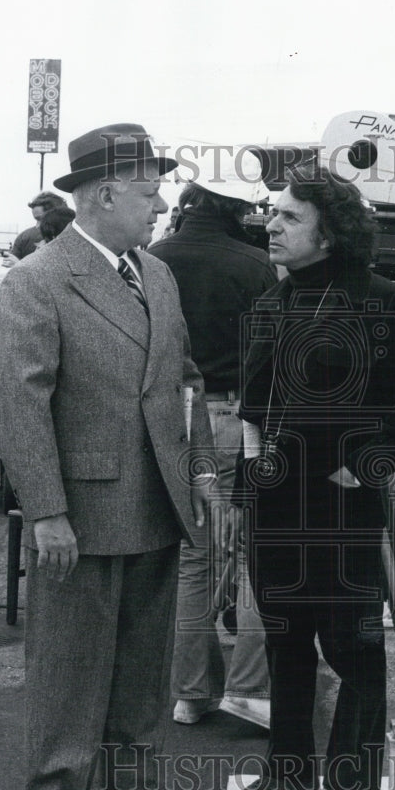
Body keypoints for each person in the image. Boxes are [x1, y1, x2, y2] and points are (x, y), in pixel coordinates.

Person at [0, 123, 213, 790]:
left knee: (143, 664)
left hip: (155, 501)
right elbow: (17, 406)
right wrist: (46, 511)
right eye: (149, 192)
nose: (159, 205)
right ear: (104, 194)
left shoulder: (155, 274)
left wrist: (201, 474)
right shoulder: (38, 279)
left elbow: (183, 384)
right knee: (71, 666)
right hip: (80, 511)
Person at [233, 165, 395, 790]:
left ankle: (347, 779)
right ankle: (288, 765)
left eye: (289, 217)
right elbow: (252, 405)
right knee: (285, 637)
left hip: (342, 502)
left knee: (351, 646)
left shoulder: (384, 301)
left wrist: (368, 463)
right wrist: (247, 477)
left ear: (330, 234)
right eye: (272, 213)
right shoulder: (272, 303)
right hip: (274, 498)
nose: (271, 224)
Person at [148, 148, 276, 730]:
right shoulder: (254, 265)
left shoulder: (155, 257)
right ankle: (250, 690)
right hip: (239, 418)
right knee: (255, 555)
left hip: (176, 416)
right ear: (240, 208)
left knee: (194, 559)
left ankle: (191, 692)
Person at [8, 190, 68, 261]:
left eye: (44, 220)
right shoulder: (68, 234)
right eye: (38, 220)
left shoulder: (23, 236)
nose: (39, 226)